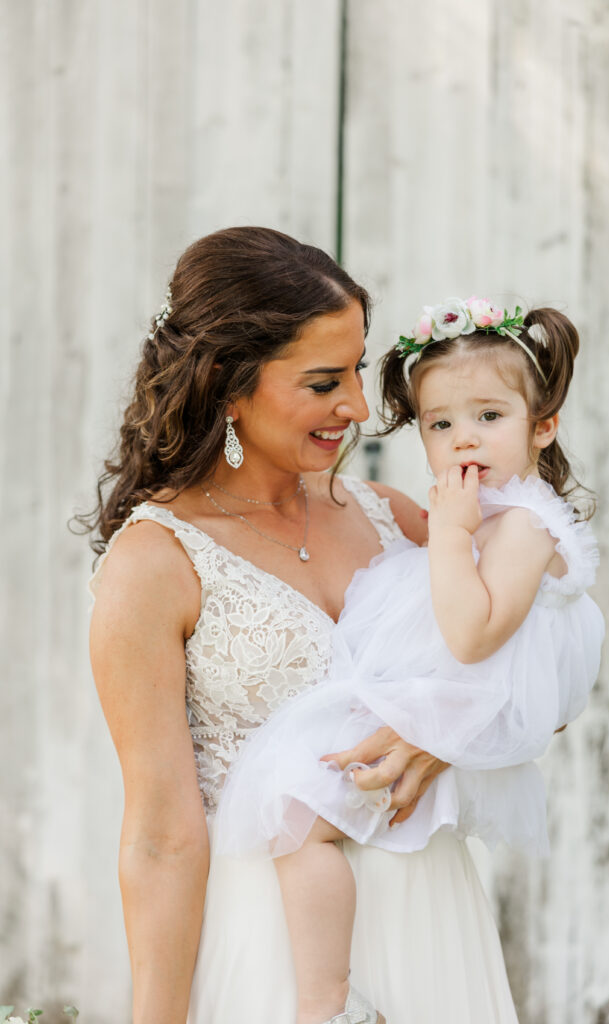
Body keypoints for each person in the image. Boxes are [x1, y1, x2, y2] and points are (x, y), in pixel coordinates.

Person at [86, 228, 524, 1024]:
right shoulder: (154, 563)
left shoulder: (392, 518)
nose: (357, 405)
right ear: (226, 382)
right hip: (272, 951)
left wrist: (445, 727)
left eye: (357, 368)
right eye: (324, 381)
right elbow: (161, 838)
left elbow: (536, 664)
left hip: (432, 923)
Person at [214, 295, 605, 1022]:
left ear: (541, 427)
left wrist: (450, 536)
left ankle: (327, 998)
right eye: (440, 424)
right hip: (434, 698)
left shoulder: (521, 524)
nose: (464, 441)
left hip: (453, 702)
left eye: (489, 417)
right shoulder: (485, 517)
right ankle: (326, 989)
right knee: (294, 815)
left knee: (296, 812)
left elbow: (471, 637)